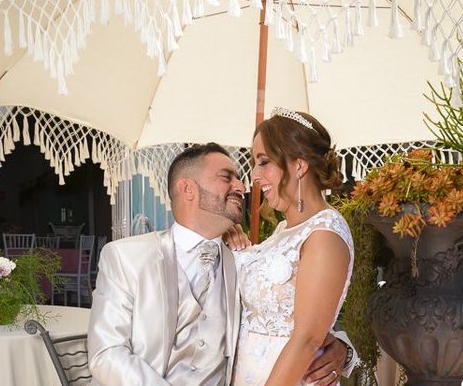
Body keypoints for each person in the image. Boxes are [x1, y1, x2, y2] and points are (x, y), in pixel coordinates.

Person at [88, 142, 353, 386]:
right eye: (227, 177)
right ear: (187, 188)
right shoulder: (126, 258)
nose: (243, 186)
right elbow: (106, 353)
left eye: (239, 178)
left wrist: (341, 349)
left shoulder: (243, 262)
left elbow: (284, 315)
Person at [231, 108, 354, 386]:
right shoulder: (283, 231)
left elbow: (308, 339)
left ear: (299, 165)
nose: (255, 175)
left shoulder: (324, 234)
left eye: (264, 162)